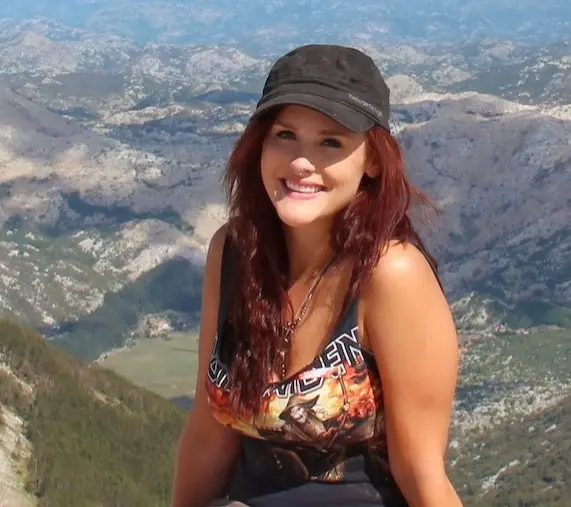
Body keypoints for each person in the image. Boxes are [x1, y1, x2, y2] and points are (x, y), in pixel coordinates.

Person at [169, 44, 463, 507]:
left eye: (331, 142)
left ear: (372, 161)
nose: (302, 162)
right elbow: (210, 436)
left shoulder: (390, 274)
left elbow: (420, 472)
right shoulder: (233, 252)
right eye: (285, 134)